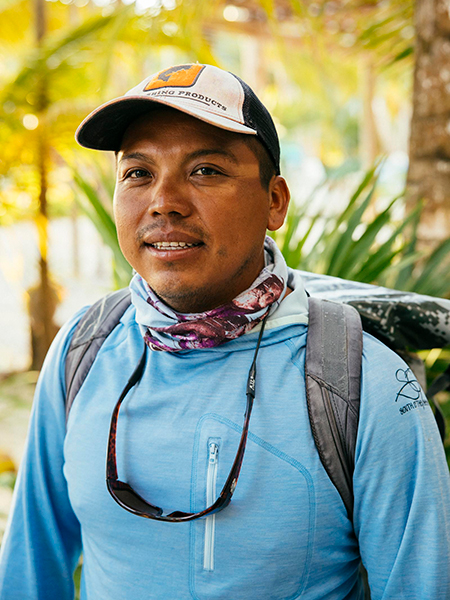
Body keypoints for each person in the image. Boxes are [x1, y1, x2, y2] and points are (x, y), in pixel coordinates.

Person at [0, 62, 449, 600]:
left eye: (206, 170)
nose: (163, 201)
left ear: (274, 202)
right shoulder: (84, 350)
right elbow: (30, 574)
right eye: (138, 173)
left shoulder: (360, 381)